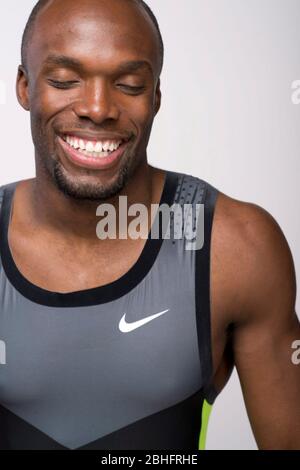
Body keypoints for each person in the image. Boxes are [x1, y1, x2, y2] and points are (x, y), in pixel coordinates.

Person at [0, 0, 299, 450]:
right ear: (25, 86)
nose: (98, 108)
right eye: (65, 80)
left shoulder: (235, 247)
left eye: (129, 84)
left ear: (156, 96)